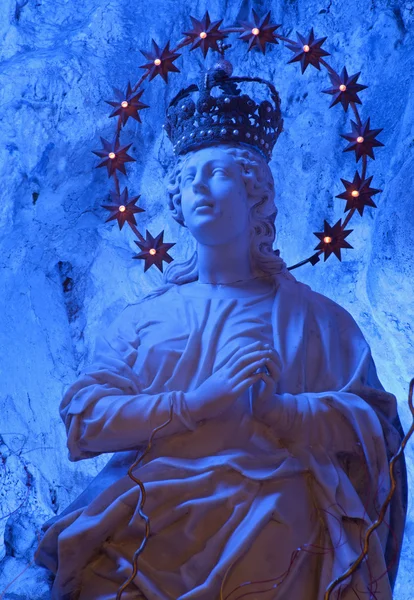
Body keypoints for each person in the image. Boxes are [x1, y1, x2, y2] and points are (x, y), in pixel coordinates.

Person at [34, 140, 407, 600]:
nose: (199, 188)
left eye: (218, 173)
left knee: (282, 521)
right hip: (144, 512)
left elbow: (376, 430)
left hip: (276, 514)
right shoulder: (141, 320)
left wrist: (283, 413)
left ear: (257, 199)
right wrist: (193, 405)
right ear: (178, 208)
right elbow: (84, 420)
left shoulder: (319, 320)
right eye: (187, 180)